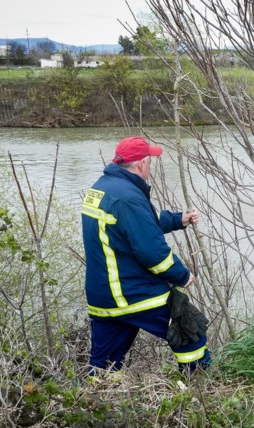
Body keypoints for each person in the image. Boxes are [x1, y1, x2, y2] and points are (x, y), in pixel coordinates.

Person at [81, 136, 211, 375]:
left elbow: (132, 227)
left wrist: (176, 220)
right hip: (131, 293)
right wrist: (182, 276)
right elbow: (151, 252)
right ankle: (200, 387)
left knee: (103, 367)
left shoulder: (102, 188)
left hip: (103, 298)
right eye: (149, 161)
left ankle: (92, 405)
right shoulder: (128, 197)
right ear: (141, 164)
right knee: (189, 331)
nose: (150, 166)